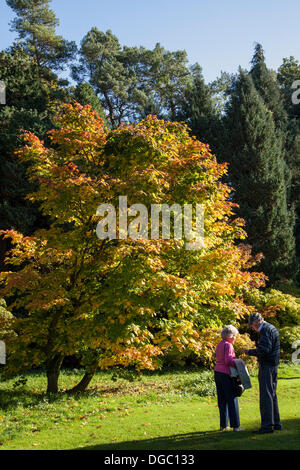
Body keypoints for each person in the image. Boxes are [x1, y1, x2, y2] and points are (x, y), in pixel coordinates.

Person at [243, 312, 281, 434]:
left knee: (266, 396)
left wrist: (248, 352)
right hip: (273, 365)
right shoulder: (271, 327)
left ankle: (267, 426)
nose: (253, 328)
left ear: (256, 322)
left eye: (252, 325)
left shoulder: (265, 330)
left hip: (267, 365)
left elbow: (264, 350)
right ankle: (276, 423)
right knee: (272, 394)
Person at [214, 325, 243, 432]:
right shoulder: (228, 345)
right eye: (235, 336)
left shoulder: (219, 344)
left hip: (217, 372)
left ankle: (224, 425)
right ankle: (236, 426)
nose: (235, 338)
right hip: (226, 373)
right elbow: (228, 361)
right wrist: (239, 362)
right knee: (232, 398)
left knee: (222, 399)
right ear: (230, 336)